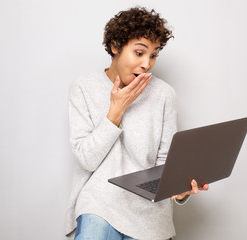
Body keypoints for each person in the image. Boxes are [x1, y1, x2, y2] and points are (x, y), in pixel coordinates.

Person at [65, 7, 209, 240]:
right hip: (99, 202)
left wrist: (180, 191)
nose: (146, 64)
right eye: (139, 52)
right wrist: (116, 111)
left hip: (149, 210)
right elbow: (86, 159)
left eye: (153, 55)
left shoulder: (164, 95)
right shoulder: (84, 87)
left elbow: (166, 164)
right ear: (115, 47)